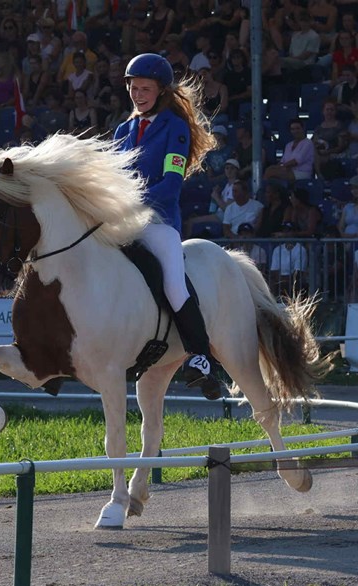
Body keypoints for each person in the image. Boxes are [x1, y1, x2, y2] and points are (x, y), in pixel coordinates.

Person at [114, 53, 221, 400]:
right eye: (133, 88)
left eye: (145, 88)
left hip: (159, 222)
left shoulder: (174, 127)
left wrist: (130, 200)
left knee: (175, 287)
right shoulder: (122, 131)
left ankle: (202, 357)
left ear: (160, 91)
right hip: (124, 222)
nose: (138, 94)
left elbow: (171, 184)